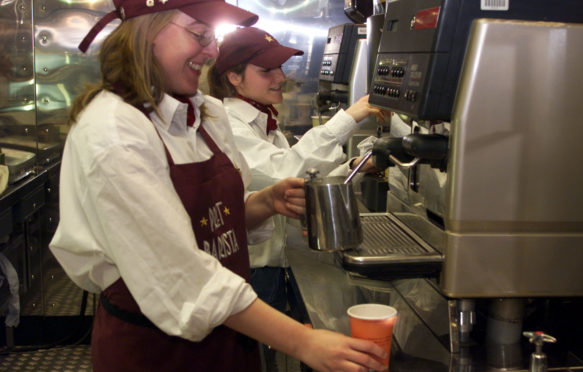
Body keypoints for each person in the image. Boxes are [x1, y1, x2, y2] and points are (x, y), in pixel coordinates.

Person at [49, 0, 388, 371]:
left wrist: (265, 201)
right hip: (157, 349)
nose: (211, 51)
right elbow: (177, 275)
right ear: (146, 31)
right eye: (199, 34)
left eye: (212, 37)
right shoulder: (114, 130)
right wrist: (303, 341)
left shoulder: (205, 113)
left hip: (230, 333)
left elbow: (219, 219)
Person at [207, 26, 388, 365]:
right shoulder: (228, 123)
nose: (280, 77)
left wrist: (355, 165)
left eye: (280, 68)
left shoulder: (263, 122)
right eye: (266, 70)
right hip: (255, 268)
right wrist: (350, 116)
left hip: (277, 264)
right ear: (233, 76)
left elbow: (298, 182)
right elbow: (284, 170)